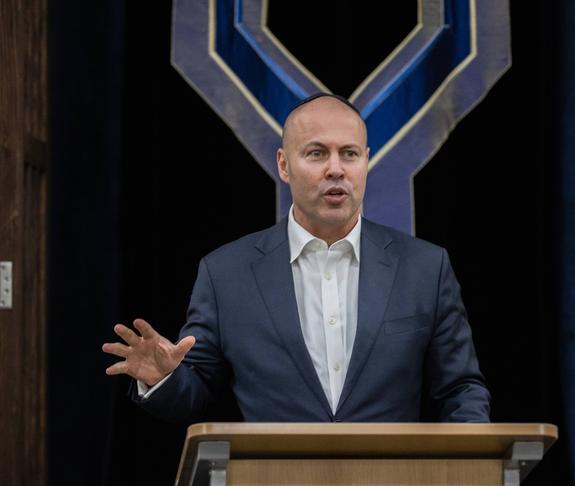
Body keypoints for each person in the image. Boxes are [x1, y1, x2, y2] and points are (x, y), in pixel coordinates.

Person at [102, 93, 490, 423]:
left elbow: (460, 389)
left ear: (366, 161)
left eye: (349, 154)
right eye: (317, 153)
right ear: (284, 165)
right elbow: (198, 389)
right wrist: (164, 378)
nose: (335, 169)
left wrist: (472, 460)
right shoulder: (226, 273)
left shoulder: (425, 268)